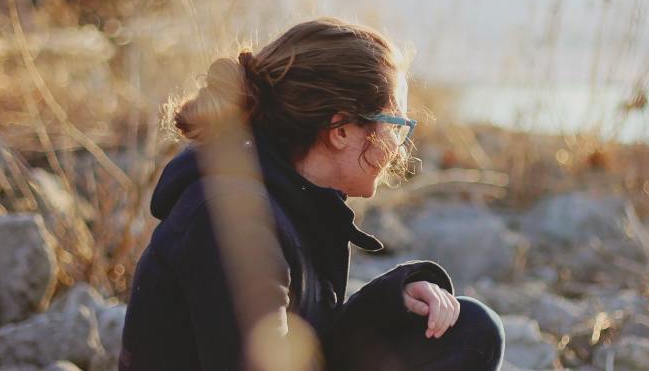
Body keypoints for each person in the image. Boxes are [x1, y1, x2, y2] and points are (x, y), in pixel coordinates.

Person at [120, 18, 505, 370]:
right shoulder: (232, 219)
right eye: (395, 126)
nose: (400, 148)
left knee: (470, 328)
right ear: (340, 129)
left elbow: (306, 345)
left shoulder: (299, 201)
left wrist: (390, 300)